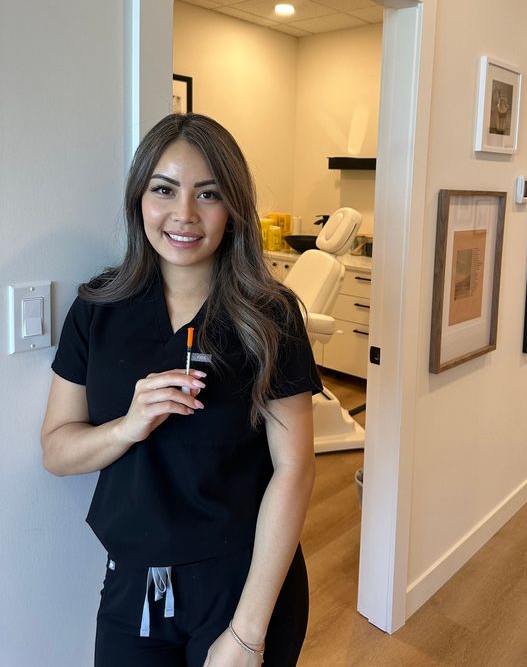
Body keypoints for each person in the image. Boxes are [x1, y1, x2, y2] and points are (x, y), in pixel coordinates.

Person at [41, 113, 321, 667]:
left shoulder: (269, 316)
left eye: (208, 194)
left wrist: (247, 634)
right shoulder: (97, 310)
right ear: (139, 198)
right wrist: (127, 425)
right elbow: (56, 451)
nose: (184, 215)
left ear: (233, 208)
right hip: (132, 587)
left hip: (242, 585)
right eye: (164, 190)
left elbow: (296, 468)